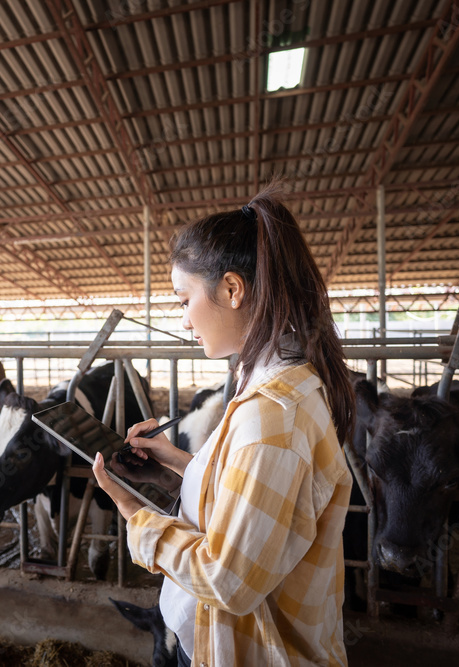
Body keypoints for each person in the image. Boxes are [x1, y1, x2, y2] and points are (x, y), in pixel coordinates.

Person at [92, 182, 354, 666]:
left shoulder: (272, 416)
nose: (185, 320)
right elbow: (258, 505)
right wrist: (175, 466)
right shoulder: (277, 389)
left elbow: (226, 580)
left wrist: (131, 509)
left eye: (183, 299)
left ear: (232, 289)